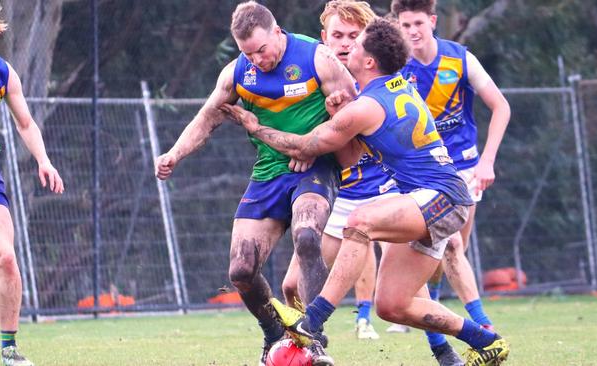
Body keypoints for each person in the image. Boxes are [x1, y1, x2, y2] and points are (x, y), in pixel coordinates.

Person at [222, 18, 510, 366]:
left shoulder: (367, 106)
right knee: (392, 305)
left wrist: (256, 126)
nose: (348, 47)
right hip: (430, 199)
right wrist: (337, 111)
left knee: (360, 222)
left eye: (356, 44)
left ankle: (312, 321)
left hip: (440, 197)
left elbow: (304, 146)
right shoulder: (389, 89)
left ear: (370, 61)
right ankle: (486, 341)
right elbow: (353, 156)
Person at [154, 2, 356, 365]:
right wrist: (174, 154)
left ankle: (315, 340)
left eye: (263, 49)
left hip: (315, 167)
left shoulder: (318, 59)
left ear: (277, 32)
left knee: (308, 236)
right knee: (241, 271)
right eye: (249, 53)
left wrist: (315, 143)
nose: (258, 59)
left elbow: (354, 115)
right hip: (268, 172)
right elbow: (206, 118)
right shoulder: (237, 74)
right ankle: (274, 335)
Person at [393, 0, 511, 364]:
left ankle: (441, 343)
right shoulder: (396, 67)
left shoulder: (459, 58)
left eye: (417, 23)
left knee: (448, 253)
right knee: (449, 249)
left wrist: (487, 161)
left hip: (464, 169)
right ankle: (482, 329)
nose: (412, 31)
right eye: (404, 25)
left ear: (432, 21)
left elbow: (501, 106)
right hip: (420, 174)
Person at [279, 0, 396, 341]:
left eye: (353, 36)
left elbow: (351, 143)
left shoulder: (375, 84)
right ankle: (309, 348)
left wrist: (314, 143)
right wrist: (305, 146)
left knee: (400, 298)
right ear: (324, 38)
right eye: (338, 35)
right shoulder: (311, 78)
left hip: (378, 193)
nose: (345, 43)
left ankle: (441, 346)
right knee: (291, 287)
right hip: (337, 195)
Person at [0, 12, 65, 366]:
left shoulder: (4, 73)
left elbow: (25, 123)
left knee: (6, 258)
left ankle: (8, 351)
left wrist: (44, 160)